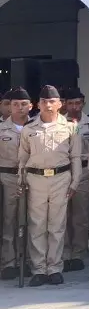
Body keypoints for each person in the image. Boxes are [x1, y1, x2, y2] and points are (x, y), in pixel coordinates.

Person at [18, 85, 82, 286]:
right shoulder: (29, 128)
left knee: (57, 226)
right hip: (35, 178)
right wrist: (21, 180)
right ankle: (39, 269)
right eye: (44, 101)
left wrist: (75, 182)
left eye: (52, 101)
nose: (48, 105)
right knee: (37, 225)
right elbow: (23, 158)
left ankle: (54, 268)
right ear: (38, 104)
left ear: (60, 104)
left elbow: (76, 157)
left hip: (60, 178)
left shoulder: (71, 127)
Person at [0, 88, 30, 280]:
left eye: (23, 104)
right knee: (8, 220)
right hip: (7, 177)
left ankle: (26, 259)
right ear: (9, 107)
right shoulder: (1, 129)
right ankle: (9, 262)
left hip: (30, 177)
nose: (20, 108)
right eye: (15, 104)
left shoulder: (36, 127)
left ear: (31, 106)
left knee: (29, 220)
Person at [60, 88, 89, 271]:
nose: (74, 107)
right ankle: (64, 254)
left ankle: (78, 253)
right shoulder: (59, 124)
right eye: (71, 103)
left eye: (78, 103)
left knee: (81, 215)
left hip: (85, 171)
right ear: (65, 104)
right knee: (62, 216)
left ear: (83, 103)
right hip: (65, 172)